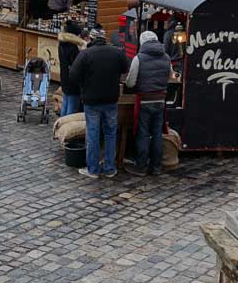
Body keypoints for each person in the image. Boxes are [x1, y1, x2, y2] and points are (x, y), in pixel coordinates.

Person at [68, 27, 129, 179]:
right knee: (110, 134)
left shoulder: (86, 54)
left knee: (93, 134)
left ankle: (93, 169)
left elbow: (73, 75)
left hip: (92, 100)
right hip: (111, 99)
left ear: (92, 39)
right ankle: (109, 168)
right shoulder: (116, 52)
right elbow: (125, 68)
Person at [125, 30, 170, 176]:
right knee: (157, 133)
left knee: (143, 133)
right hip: (160, 99)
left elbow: (131, 83)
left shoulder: (139, 58)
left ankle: (141, 166)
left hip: (144, 99)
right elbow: (169, 77)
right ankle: (156, 167)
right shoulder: (166, 57)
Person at [58, 20, 88, 116]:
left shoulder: (62, 43)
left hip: (64, 77)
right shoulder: (72, 47)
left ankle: (61, 124)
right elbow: (77, 64)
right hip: (73, 81)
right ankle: (66, 126)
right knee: (72, 107)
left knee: (65, 103)